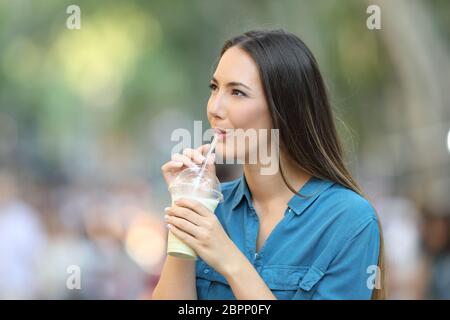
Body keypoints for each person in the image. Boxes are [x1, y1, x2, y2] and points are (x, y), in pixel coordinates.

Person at [152, 29, 385, 300]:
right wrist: (188, 204)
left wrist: (230, 261)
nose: (215, 108)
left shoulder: (349, 220)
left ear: (284, 108)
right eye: (214, 88)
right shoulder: (212, 208)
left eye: (237, 92)